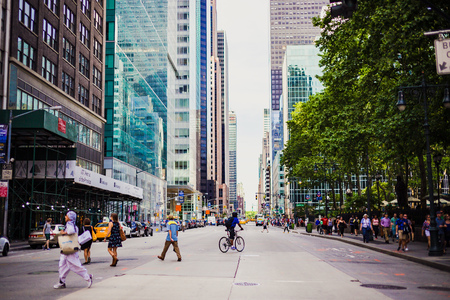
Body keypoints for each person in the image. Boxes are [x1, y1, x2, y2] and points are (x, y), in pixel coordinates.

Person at [53, 211, 92, 289]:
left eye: (66, 216)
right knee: (63, 265)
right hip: (68, 249)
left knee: (75, 266)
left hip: (69, 249)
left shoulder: (69, 224)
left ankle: (88, 277)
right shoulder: (74, 225)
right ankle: (61, 281)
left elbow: (71, 231)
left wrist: (63, 232)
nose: (65, 217)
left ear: (70, 217)